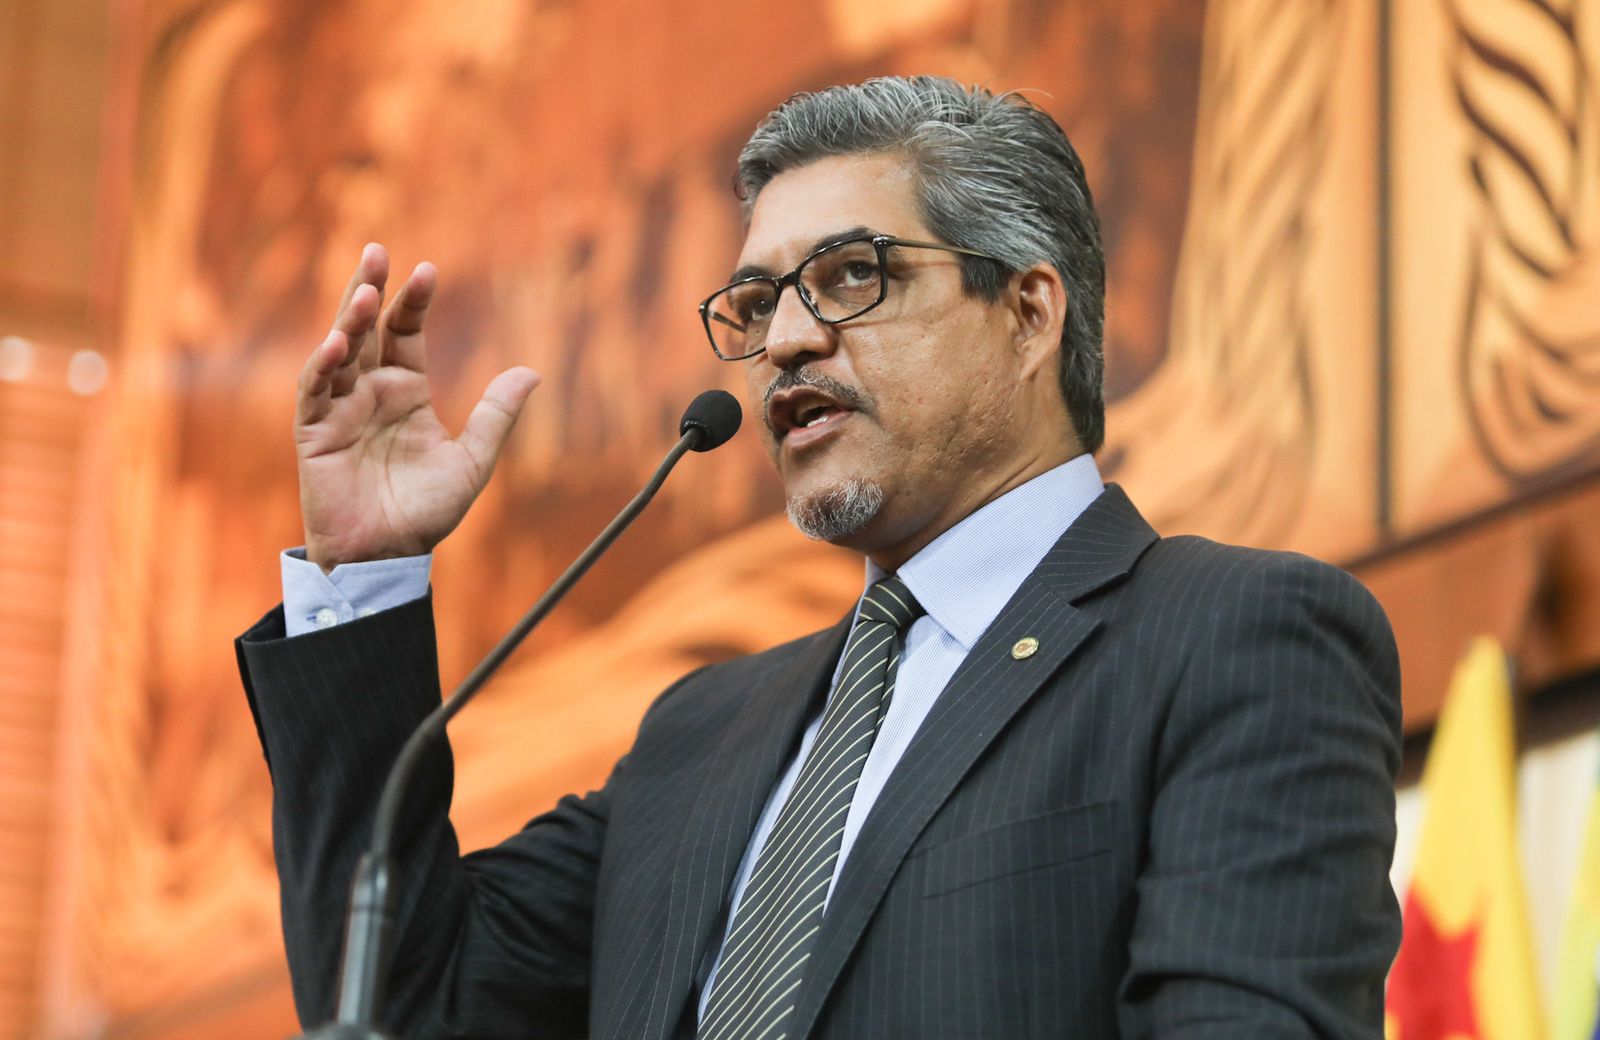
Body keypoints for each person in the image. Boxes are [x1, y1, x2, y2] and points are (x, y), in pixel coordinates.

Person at [237, 77, 1402, 1040]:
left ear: (1027, 313)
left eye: (854, 275)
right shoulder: (701, 730)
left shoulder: (1233, 640)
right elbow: (404, 995)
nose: (786, 339)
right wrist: (365, 572)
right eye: (757, 302)